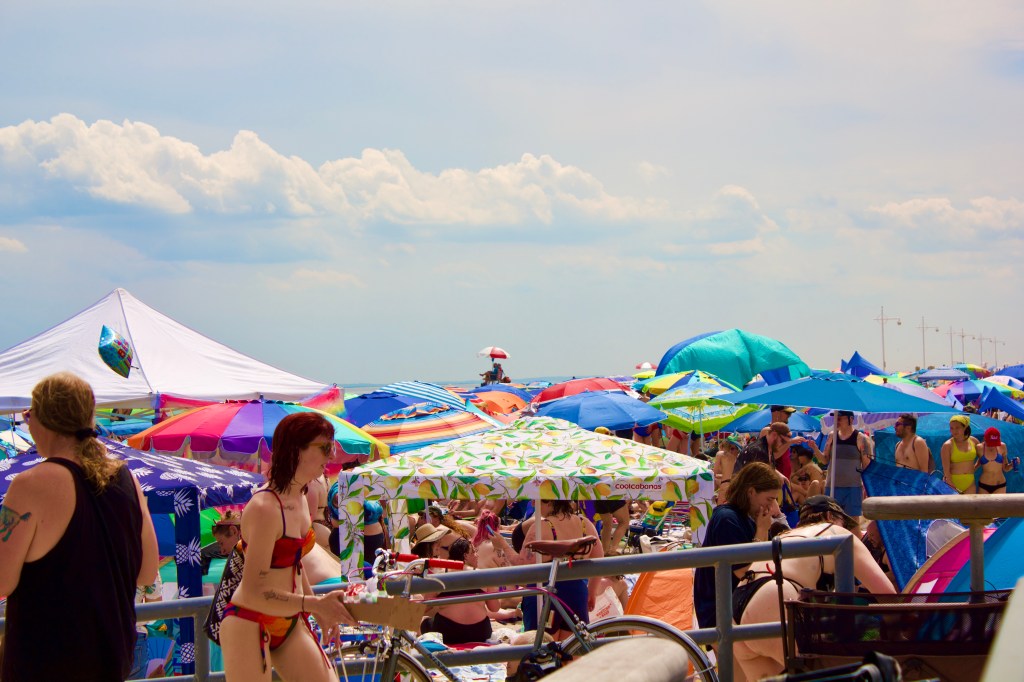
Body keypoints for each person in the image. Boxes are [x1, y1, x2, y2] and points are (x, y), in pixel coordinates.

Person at [0, 372, 160, 681]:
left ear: (43, 418)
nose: (27, 422)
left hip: (45, 663)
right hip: (110, 660)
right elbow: (147, 572)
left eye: (28, 414)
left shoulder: (32, 484)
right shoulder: (127, 480)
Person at [220, 412, 355, 682]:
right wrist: (315, 604)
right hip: (250, 620)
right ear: (297, 449)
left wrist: (317, 609)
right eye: (326, 447)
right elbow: (256, 591)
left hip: (290, 619)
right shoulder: (265, 507)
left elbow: (295, 564)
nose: (332, 456)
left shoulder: (301, 499)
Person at [732, 495, 895, 680]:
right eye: (844, 522)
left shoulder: (786, 536)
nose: (847, 528)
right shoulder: (838, 535)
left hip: (740, 603)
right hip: (774, 596)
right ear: (829, 517)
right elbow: (887, 594)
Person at [692, 462, 780, 632]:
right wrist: (762, 530)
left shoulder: (748, 517)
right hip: (720, 613)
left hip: (738, 607)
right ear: (751, 492)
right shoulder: (727, 519)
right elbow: (745, 573)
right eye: (770, 499)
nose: (773, 506)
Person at [506, 500, 603, 640]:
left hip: (545, 592)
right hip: (576, 591)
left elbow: (522, 566)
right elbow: (598, 560)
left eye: (536, 500)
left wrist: (502, 545)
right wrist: (591, 592)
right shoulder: (585, 524)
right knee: (572, 651)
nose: (533, 504)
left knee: (541, 650)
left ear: (549, 501)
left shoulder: (542, 527)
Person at [420, 537, 503, 644]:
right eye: (473, 552)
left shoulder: (439, 576)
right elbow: (495, 608)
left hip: (448, 633)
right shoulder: (484, 576)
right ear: (465, 556)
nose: (477, 555)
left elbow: (427, 604)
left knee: (425, 621)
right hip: (479, 632)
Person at [819, 411, 872, 519]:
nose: (836, 420)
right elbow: (824, 460)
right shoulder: (831, 436)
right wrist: (815, 448)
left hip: (853, 488)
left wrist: (866, 488)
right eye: (835, 418)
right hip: (832, 486)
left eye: (840, 418)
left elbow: (867, 466)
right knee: (832, 521)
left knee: (852, 523)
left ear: (851, 419)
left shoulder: (861, 438)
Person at [940, 415, 981, 494]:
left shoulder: (974, 441)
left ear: (965, 427)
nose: (954, 431)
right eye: (952, 428)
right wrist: (950, 483)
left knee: (970, 506)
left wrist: (975, 467)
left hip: (970, 482)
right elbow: (946, 470)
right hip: (952, 482)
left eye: (957, 427)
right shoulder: (947, 445)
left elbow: (983, 457)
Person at [759, 406, 797, 477]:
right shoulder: (767, 431)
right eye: (787, 413)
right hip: (774, 477)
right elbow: (771, 456)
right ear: (776, 413)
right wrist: (790, 442)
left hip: (784, 477)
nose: (789, 416)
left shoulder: (783, 432)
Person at [977, 427, 1016, 494]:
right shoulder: (979, 448)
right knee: (984, 505)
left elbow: (1005, 469)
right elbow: (975, 465)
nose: (992, 446)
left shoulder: (1002, 446)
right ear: (985, 439)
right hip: (984, 485)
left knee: (999, 505)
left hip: (1000, 485)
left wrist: (1012, 465)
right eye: (990, 443)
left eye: (994, 443)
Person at [713, 435, 742, 503]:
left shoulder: (720, 454)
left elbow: (714, 473)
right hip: (735, 485)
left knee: (720, 508)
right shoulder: (738, 458)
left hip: (725, 484)